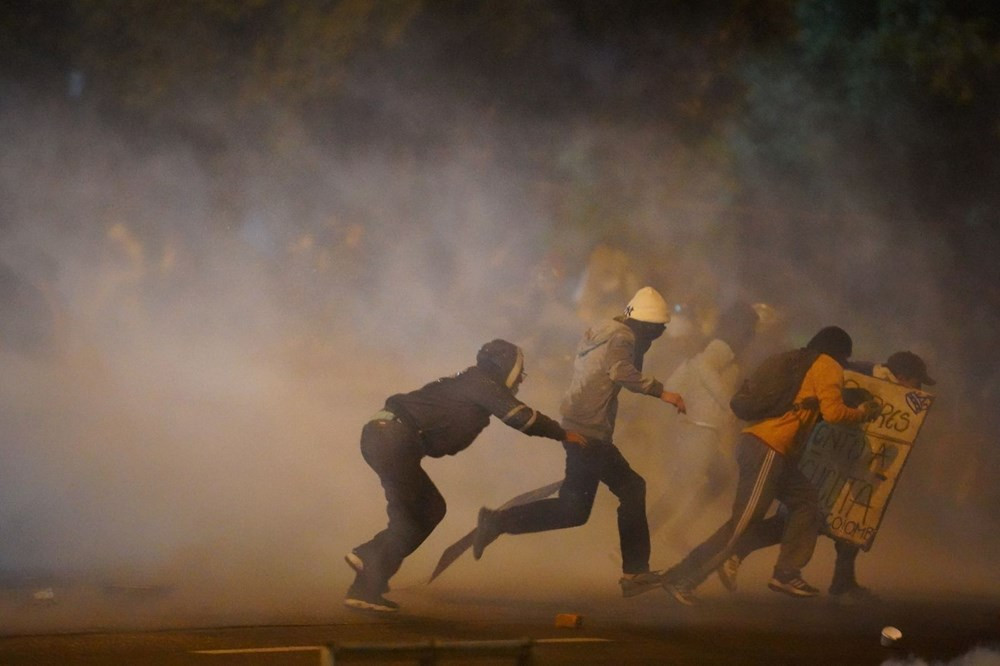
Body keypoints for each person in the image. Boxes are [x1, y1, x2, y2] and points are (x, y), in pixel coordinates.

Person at [472, 287, 687, 598]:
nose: (659, 335)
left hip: (580, 425)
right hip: (589, 432)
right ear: (647, 325)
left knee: (574, 510)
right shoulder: (624, 337)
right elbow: (621, 372)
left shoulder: (603, 331)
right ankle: (635, 572)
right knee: (630, 488)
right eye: (658, 330)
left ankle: (497, 522)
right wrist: (663, 392)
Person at [344, 339, 587, 612]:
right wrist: (564, 434)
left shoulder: (471, 383)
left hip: (385, 436)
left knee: (427, 509)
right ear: (506, 366)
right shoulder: (483, 384)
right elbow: (521, 418)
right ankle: (369, 558)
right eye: (520, 372)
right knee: (416, 514)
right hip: (392, 437)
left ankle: (366, 586)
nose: (520, 379)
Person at [661, 326, 878, 605]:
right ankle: (682, 577)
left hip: (770, 448)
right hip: (769, 448)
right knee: (742, 523)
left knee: (806, 502)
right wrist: (862, 413)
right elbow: (835, 413)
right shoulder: (827, 365)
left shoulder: (796, 360)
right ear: (839, 353)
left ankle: (787, 572)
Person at [716, 350, 935, 603]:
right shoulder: (856, 376)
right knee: (794, 520)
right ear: (903, 376)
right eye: (917, 382)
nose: (918, 389)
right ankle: (735, 553)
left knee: (850, 524)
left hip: (846, 466)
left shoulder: (873, 384)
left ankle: (842, 580)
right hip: (818, 461)